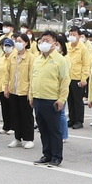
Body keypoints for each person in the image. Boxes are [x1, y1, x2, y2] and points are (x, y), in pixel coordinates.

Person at [30, 31, 71, 166]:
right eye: (42, 40)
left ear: (55, 43)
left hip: (51, 99)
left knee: (54, 130)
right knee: (43, 129)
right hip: (38, 98)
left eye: (47, 40)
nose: (44, 43)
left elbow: (65, 81)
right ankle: (46, 154)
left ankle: (56, 156)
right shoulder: (38, 59)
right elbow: (33, 78)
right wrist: (31, 96)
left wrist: (61, 99)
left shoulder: (60, 60)